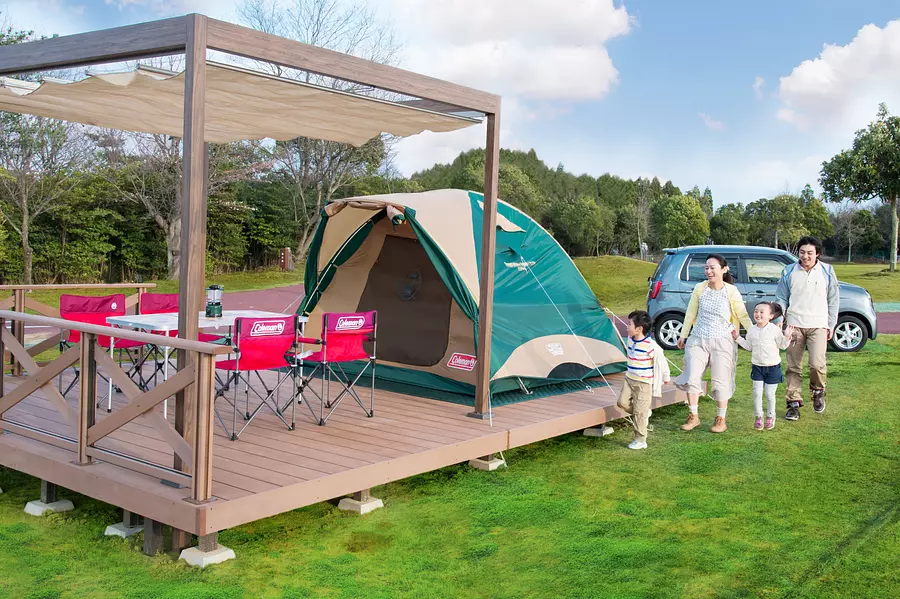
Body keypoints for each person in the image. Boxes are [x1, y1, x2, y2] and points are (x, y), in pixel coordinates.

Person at [675, 255, 752, 433]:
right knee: (692, 376)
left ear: (723, 269)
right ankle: (693, 416)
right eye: (706, 268)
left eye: (712, 268)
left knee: (720, 380)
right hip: (698, 338)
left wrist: (754, 334)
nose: (708, 271)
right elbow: (691, 313)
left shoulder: (731, 291)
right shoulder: (700, 288)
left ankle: (720, 419)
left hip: (723, 340)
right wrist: (683, 335)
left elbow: (742, 315)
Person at [775, 236, 839, 421]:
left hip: (818, 325)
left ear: (817, 253)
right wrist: (780, 318)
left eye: (810, 253)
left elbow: (833, 299)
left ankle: (818, 391)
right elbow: (781, 298)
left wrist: (831, 324)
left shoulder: (827, 271)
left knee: (817, 364)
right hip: (794, 325)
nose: (805, 256)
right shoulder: (788, 271)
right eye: (802, 252)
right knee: (793, 366)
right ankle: (793, 404)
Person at [736, 302, 794, 430]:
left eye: (762, 312)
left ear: (770, 316)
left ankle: (770, 416)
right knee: (757, 393)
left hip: (773, 368)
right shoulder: (751, 330)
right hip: (757, 367)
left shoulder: (774, 330)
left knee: (769, 394)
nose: (758, 314)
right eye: (756, 311)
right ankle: (758, 416)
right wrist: (738, 338)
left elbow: (783, 345)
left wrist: (787, 336)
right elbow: (749, 346)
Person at [618, 310, 668, 450]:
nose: (627, 327)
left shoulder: (651, 346)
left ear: (639, 329)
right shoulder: (630, 339)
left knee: (639, 414)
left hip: (644, 383)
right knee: (622, 403)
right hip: (629, 379)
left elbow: (661, 362)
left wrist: (665, 376)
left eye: (629, 324)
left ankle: (640, 440)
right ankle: (643, 413)